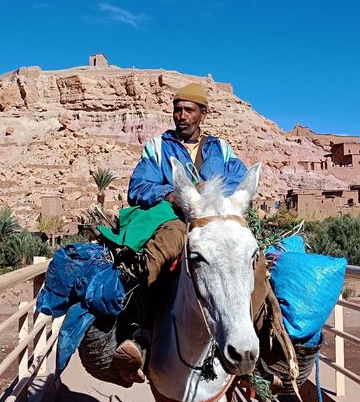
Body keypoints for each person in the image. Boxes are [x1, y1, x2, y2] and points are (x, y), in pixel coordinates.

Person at [112, 82, 272, 384]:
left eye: (188, 110)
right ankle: (141, 333)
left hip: (216, 222)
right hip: (175, 219)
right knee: (160, 252)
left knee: (255, 261)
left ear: (203, 114)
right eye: (177, 109)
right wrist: (172, 194)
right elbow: (137, 188)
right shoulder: (158, 147)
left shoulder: (220, 149)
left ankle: (257, 340)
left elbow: (239, 182)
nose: (181, 116)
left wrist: (214, 196)